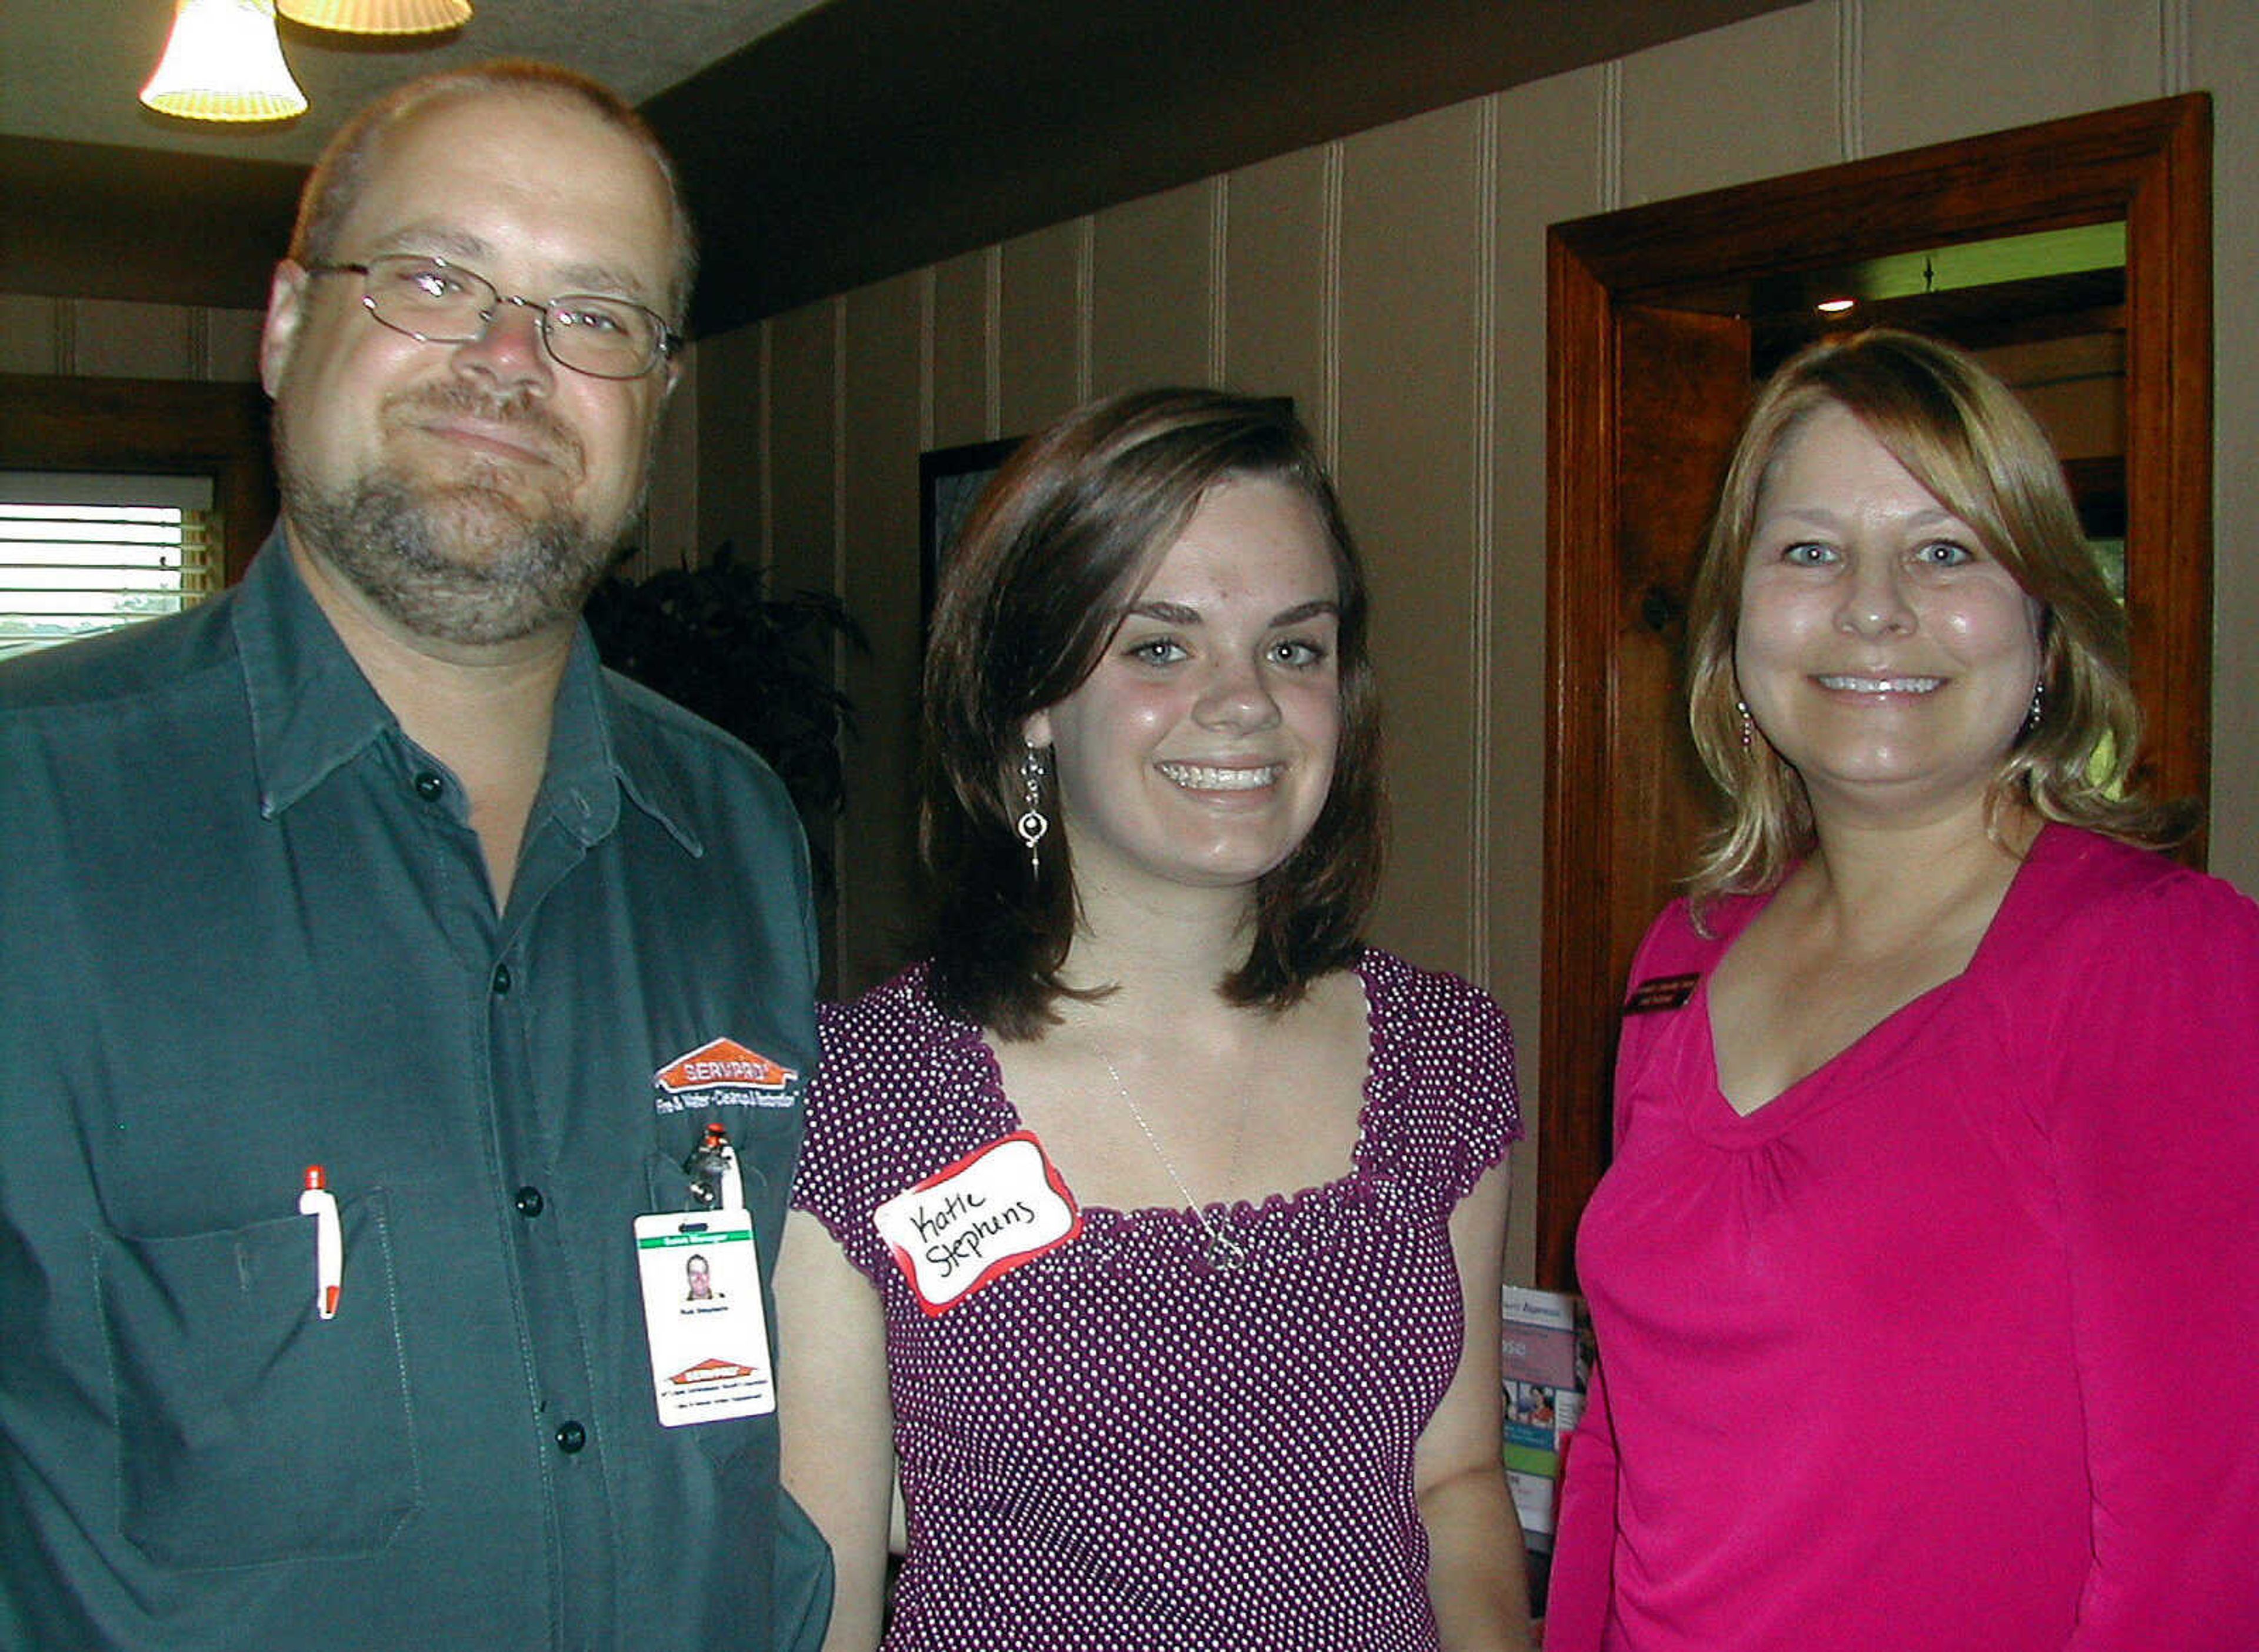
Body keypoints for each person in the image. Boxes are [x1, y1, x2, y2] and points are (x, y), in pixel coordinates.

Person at [0, 61, 831, 1650]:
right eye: (437, 279)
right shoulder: (29, 817)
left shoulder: (735, 829)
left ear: (654, 395)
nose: (509, 362)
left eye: (594, 317)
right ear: (284, 327)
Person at [776, 388, 1534, 1649]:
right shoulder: (862, 1098)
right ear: (1031, 700)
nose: (1243, 703)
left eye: (1295, 648)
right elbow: (832, 1593)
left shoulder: (1445, 1062)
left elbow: (1452, 1483)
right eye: (1159, 645)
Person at [1545, 330, 2259, 1650]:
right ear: (1736, 626)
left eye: (1947, 551)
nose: (1874, 608)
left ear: (2047, 626)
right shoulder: (1680, 957)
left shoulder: (2161, 963)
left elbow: (2205, 1542)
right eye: (1810, 551)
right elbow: (1617, 1449)